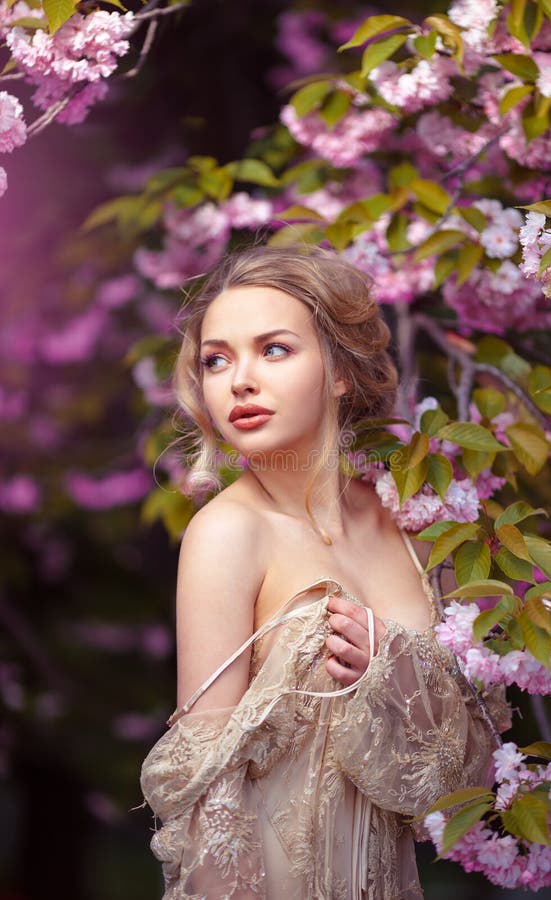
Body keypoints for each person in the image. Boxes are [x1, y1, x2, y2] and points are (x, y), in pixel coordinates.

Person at [140, 245, 509, 900]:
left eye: (273, 349)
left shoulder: (413, 526)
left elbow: (464, 781)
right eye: (216, 360)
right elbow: (206, 804)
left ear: (339, 371)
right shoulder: (228, 534)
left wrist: (393, 670)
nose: (239, 381)